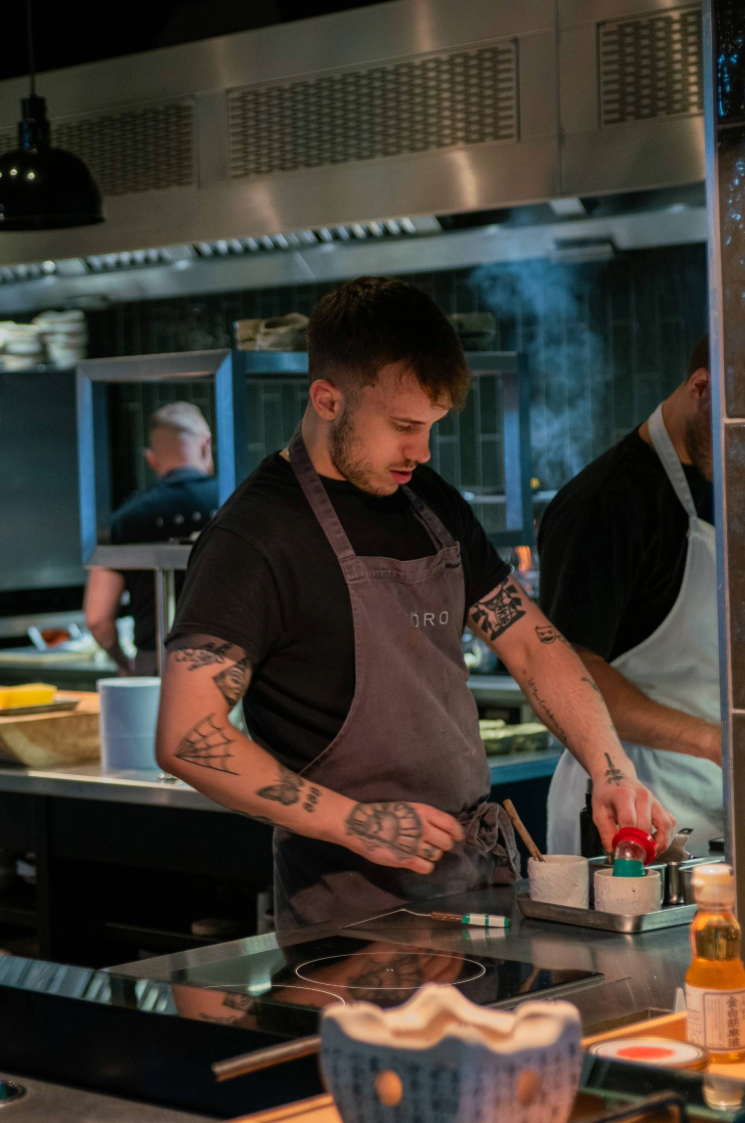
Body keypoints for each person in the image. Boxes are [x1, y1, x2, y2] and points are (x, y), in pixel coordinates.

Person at [155, 276, 675, 931]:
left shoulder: (430, 502)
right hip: (351, 916)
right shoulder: (254, 537)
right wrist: (355, 821)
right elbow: (186, 735)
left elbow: (530, 643)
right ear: (327, 399)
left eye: (431, 427)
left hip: (474, 889)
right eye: (404, 426)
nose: (422, 452)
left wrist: (612, 769)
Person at [539, 337, 718, 856]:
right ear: (701, 388)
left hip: (717, 798)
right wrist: (712, 741)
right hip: (635, 809)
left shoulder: (725, 480)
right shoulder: (603, 505)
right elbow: (566, 669)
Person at [83, 402, 218, 675]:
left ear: (152, 459)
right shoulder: (236, 502)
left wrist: (124, 663)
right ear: (206, 444)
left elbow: (97, 618)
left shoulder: (127, 519)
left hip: (155, 663)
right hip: (228, 663)